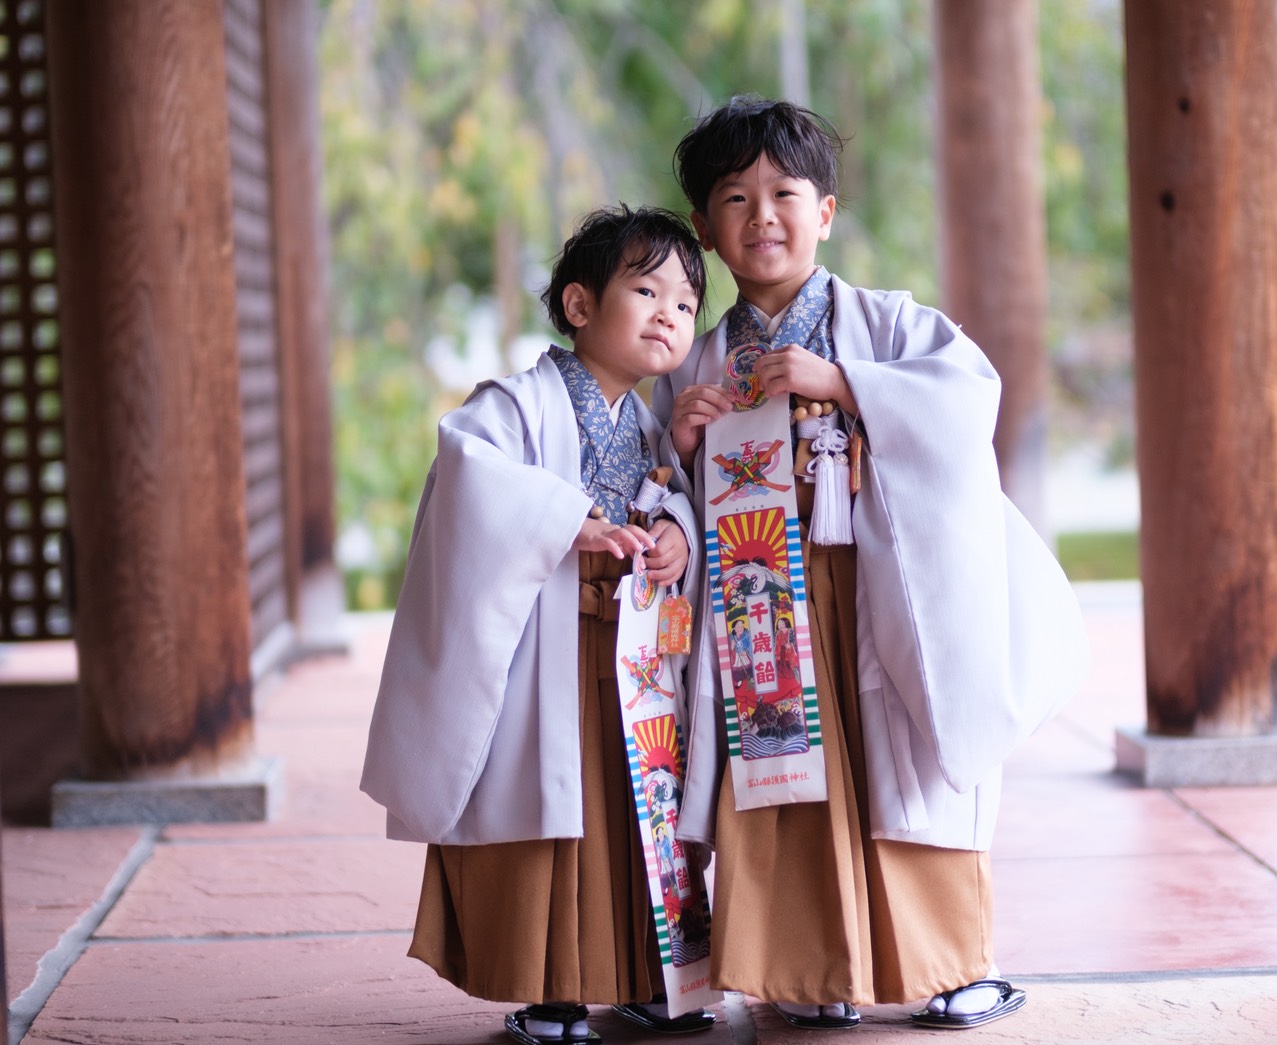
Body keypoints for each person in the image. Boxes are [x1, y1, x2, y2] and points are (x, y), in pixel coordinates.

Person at [655, 97, 1089, 1031]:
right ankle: (809, 972)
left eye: (784, 192)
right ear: (703, 226)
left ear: (827, 211)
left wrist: (846, 382)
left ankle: (953, 965)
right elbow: (656, 493)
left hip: (878, 590)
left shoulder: (889, 326)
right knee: (778, 779)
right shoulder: (692, 363)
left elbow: (967, 401)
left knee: (911, 771)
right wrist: (679, 449)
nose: (761, 215)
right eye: (734, 198)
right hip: (759, 602)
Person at [361, 205, 718, 1044]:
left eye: (685, 301)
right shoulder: (514, 405)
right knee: (556, 814)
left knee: (639, 815)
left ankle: (642, 976)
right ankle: (551, 989)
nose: (670, 313)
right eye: (645, 289)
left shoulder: (649, 424)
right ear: (579, 306)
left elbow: (672, 502)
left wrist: (674, 529)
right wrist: (568, 521)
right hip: (545, 655)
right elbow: (468, 476)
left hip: (632, 659)